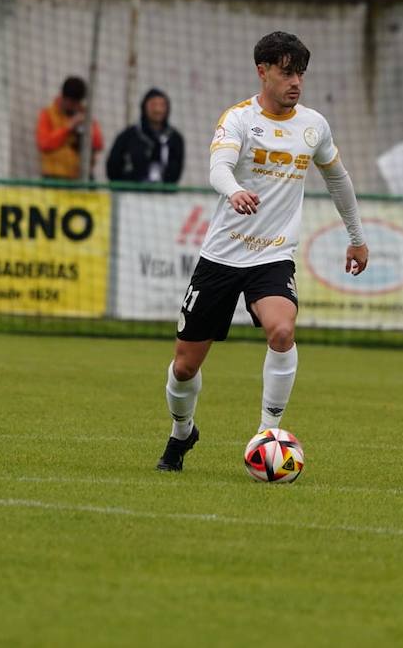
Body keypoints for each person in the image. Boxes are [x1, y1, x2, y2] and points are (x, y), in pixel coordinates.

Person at [156, 31, 369, 472]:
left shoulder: (313, 126)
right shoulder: (238, 119)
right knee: (183, 367)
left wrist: (357, 234)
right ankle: (182, 433)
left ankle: (267, 432)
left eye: (301, 74)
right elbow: (218, 165)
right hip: (221, 257)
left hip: (273, 256)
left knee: (282, 332)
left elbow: (338, 179)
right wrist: (234, 190)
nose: (296, 83)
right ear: (263, 71)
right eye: (288, 72)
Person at [106, 87, 185, 184]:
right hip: (131, 192)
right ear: (144, 107)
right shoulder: (128, 136)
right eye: (153, 105)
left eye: (162, 105)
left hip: (164, 195)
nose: (157, 110)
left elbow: (175, 171)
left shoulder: (175, 138)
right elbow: (113, 168)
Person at [37, 76, 103, 180]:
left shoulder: (84, 115)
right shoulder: (48, 114)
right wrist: (68, 128)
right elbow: (44, 144)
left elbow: (98, 144)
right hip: (55, 177)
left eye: (77, 103)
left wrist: (88, 128)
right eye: (71, 103)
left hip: (81, 176)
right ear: (63, 97)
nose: (74, 106)